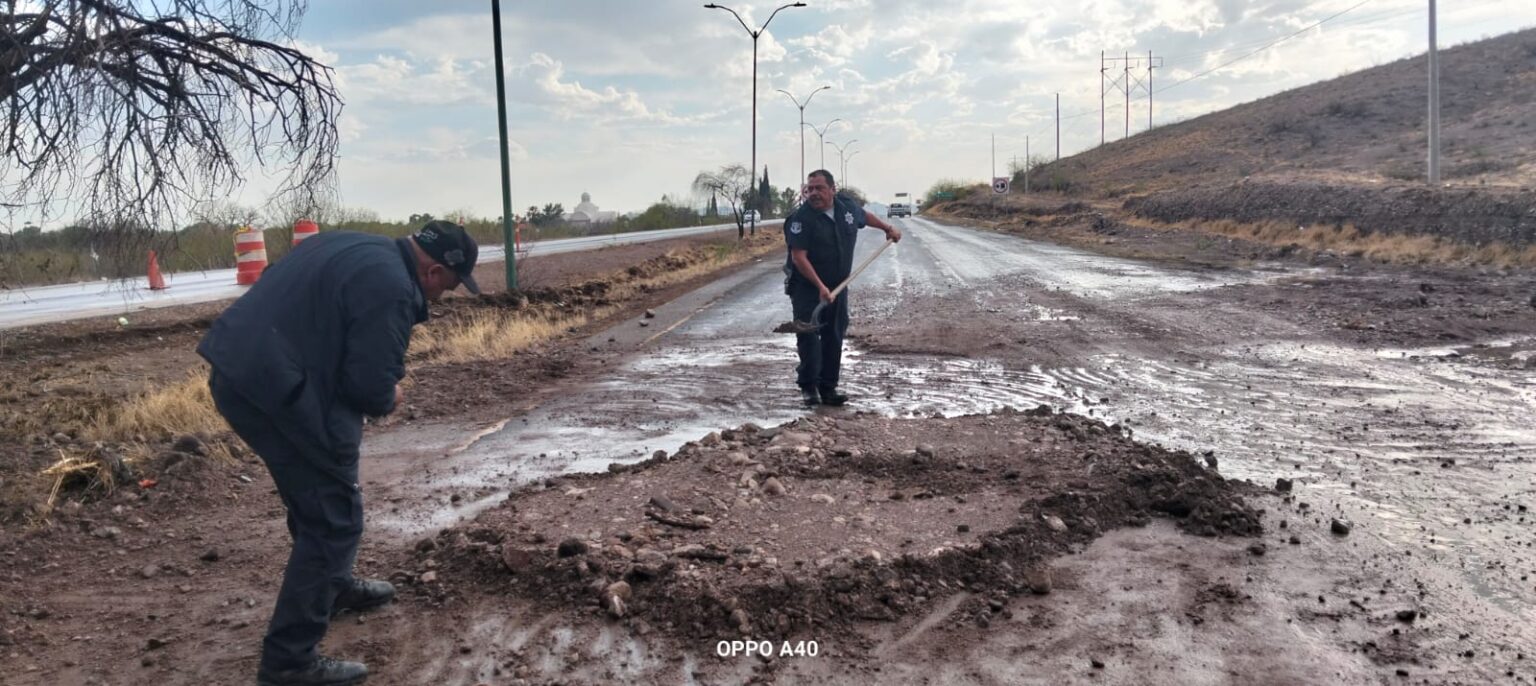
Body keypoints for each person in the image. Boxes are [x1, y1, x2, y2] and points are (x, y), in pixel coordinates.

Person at [198, 220, 480, 685]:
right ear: (432, 271)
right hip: (278, 388)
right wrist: (390, 396)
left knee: (317, 491)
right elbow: (368, 387)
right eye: (448, 287)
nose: (442, 298)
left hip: (239, 372)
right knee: (335, 520)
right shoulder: (393, 287)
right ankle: (289, 661)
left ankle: (333, 585)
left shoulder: (351, 242)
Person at [783, 169, 902, 406]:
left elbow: (864, 216)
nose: (813, 193)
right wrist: (820, 286)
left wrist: (886, 228)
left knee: (834, 335)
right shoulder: (800, 219)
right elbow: (799, 257)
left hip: (839, 286)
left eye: (819, 188)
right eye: (810, 189)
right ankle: (809, 388)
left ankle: (828, 387)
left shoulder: (846, 207)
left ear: (832, 189)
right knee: (808, 335)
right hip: (807, 287)